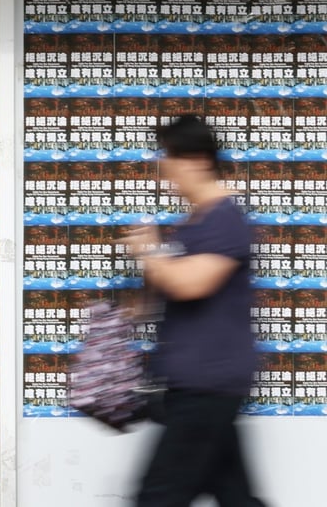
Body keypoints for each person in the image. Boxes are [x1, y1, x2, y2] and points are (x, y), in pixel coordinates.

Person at [122, 115, 266, 506]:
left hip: (208, 384)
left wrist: (151, 253)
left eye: (170, 167)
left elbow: (192, 284)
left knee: (157, 497)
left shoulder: (225, 220)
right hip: (195, 383)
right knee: (235, 496)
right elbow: (163, 291)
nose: (165, 180)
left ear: (198, 160)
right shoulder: (192, 223)